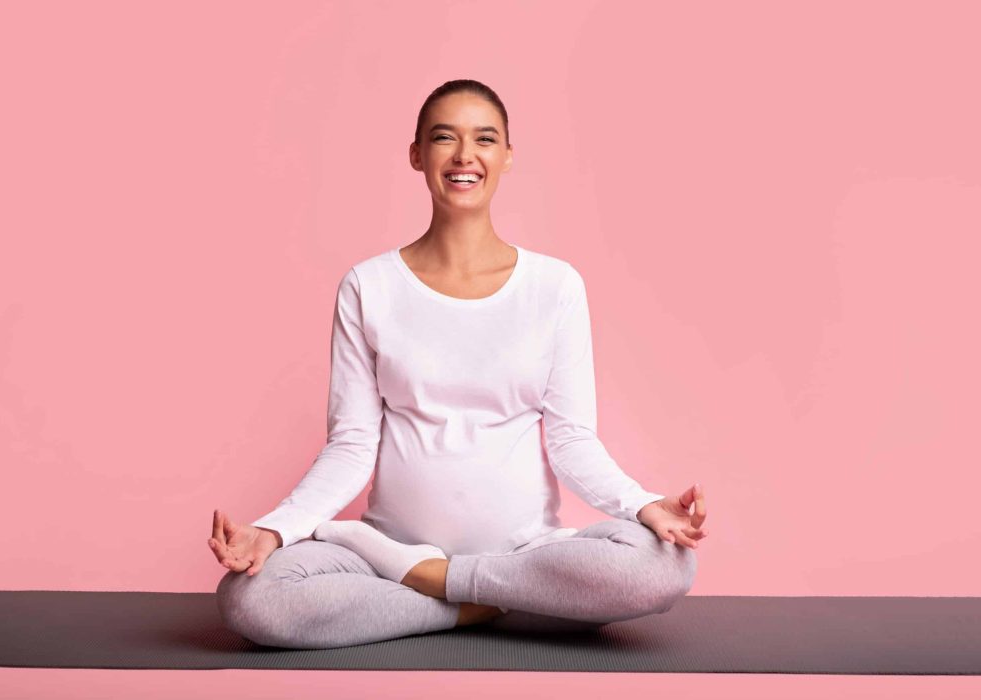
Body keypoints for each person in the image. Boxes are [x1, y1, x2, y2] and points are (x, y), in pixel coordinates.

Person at [210, 79, 708, 649]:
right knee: (250, 599)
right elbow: (351, 443)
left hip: (525, 556)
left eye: (485, 139)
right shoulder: (368, 286)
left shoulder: (555, 287)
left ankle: (447, 587)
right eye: (444, 137)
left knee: (664, 566)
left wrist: (643, 504)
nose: (465, 156)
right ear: (418, 155)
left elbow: (572, 441)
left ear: (507, 156)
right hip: (388, 550)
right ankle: (483, 608)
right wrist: (276, 528)